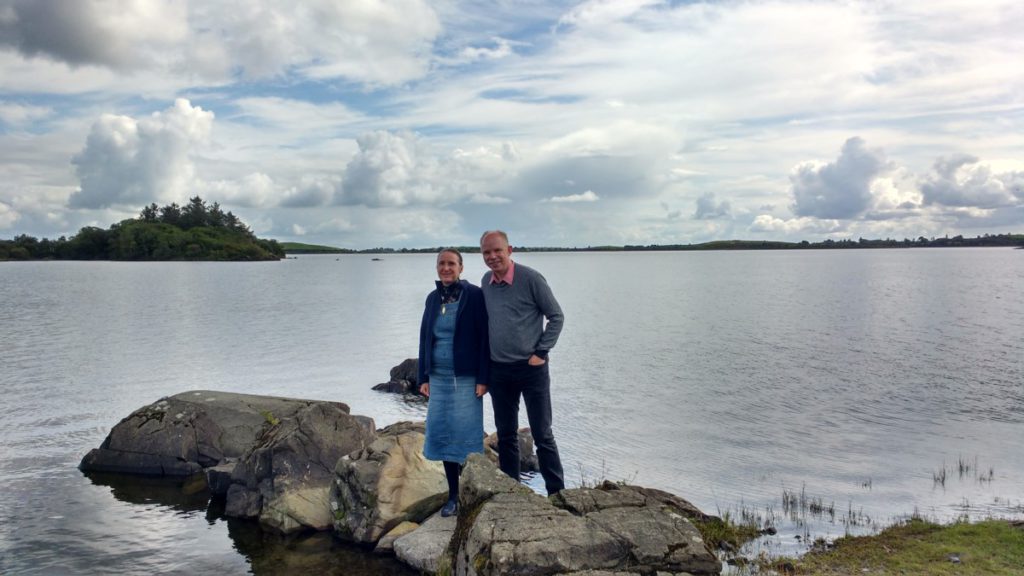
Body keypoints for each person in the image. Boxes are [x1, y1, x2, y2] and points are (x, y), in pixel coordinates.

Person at [479, 230, 565, 495]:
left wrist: (541, 352)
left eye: (497, 251)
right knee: (506, 435)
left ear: (510, 250)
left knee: (542, 434)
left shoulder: (531, 279)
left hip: (532, 369)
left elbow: (557, 317)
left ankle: (558, 495)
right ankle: (511, 493)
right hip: (499, 370)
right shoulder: (486, 281)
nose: (492, 257)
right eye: (486, 253)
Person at [418, 248, 490, 517]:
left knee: (466, 435)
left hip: (467, 377)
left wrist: (484, 378)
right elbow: (425, 337)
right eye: (441, 264)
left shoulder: (474, 296)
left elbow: (484, 338)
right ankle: (453, 496)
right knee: (444, 433)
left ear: (461, 267)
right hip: (439, 377)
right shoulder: (432, 298)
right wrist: (423, 377)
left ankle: (473, 492)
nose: (446, 268)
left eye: (451, 263)